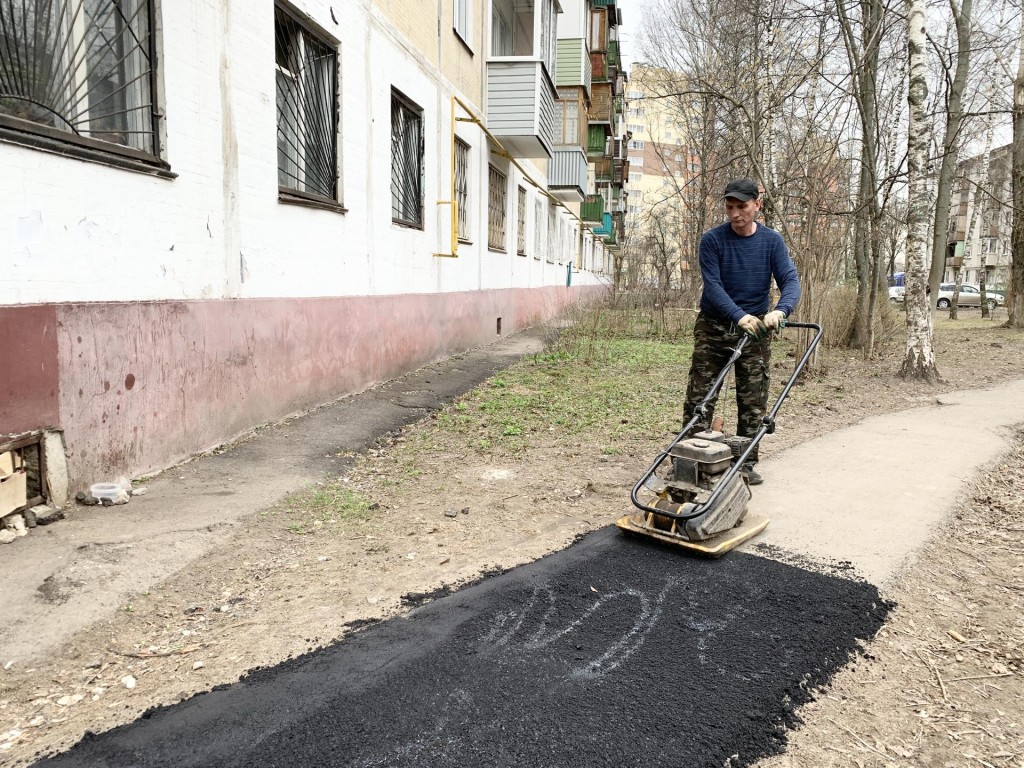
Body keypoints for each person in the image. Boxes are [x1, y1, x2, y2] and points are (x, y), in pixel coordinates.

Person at [682, 178, 801, 485]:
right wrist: (738, 315)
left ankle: (745, 464)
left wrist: (780, 310)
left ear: (757, 206)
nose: (735, 214)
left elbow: (790, 280)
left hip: (756, 331)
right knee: (701, 396)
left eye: (742, 207)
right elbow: (714, 286)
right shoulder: (712, 240)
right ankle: (690, 459)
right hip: (714, 327)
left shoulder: (771, 242)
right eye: (730, 207)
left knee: (753, 398)